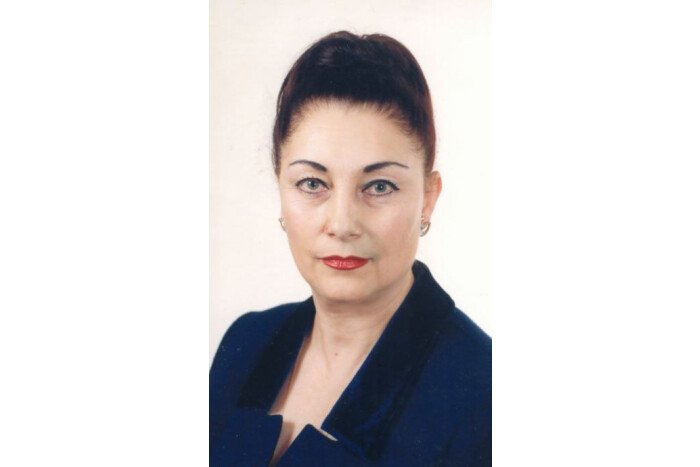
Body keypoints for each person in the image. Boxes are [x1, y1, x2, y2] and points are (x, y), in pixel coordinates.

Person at [210, 31, 491, 466]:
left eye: (379, 186)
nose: (342, 224)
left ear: (428, 198)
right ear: (281, 189)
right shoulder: (246, 342)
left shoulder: (486, 392)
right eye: (312, 183)